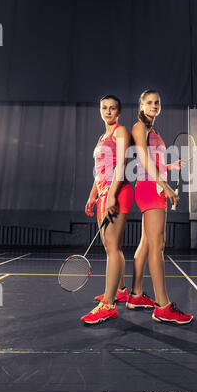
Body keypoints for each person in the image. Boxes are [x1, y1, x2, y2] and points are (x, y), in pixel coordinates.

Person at [125, 89, 193, 324]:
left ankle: (135, 295)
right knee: (158, 245)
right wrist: (164, 184)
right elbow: (143, 159)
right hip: (149, 188)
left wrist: (170, 167)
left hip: (152, 184)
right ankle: (163, 307)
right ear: (141, 105)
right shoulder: (139, 127)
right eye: (149, 102)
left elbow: (153, 162)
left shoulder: (154, 131)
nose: (154, 105)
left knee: (145, 244)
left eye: (157, 102)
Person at [81, 95, 133, 325]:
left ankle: (109, 305)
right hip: (103, 194)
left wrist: (111, 194)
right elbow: (100, 170)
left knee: (112, 247)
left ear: (119, 112)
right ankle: (120, 290)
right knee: (110, 246)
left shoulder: (120, 132)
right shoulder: (102, 136)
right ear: (100, 110)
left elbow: (121, 165)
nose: (108, 111)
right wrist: (92, 196)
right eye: (104, 108)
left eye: (113, 108)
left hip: (118, 193)